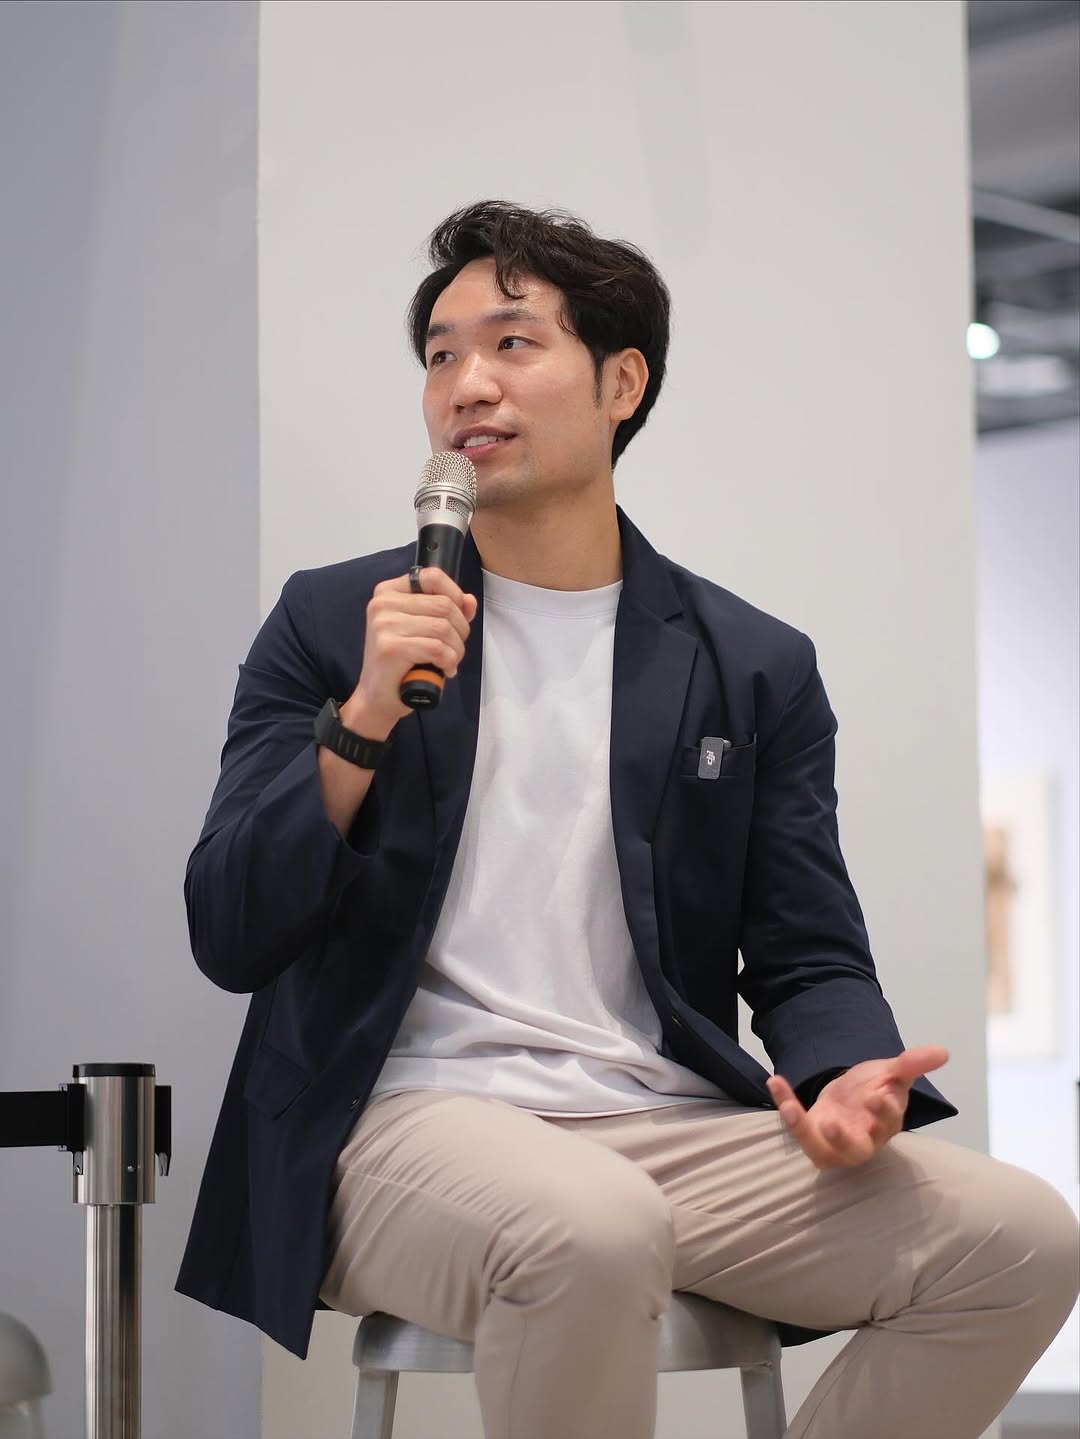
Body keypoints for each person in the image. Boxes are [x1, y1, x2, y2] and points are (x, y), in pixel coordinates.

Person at [177, 201, 1079, 1439]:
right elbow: (230, 926)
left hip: (665, 1126)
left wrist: (843, 1075)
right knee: (590, 1228)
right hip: (396, 1121)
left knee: (1019, 1238)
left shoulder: (750, 661)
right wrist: (366, 713)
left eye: (511, 342)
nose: (466, 384)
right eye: (440, 355)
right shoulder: (335, 624)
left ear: (621, 382)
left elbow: (807, 948)